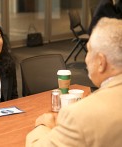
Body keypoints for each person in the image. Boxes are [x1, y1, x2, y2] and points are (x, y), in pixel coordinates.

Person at [26, 17, 122, 147]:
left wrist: (43, 125)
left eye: (88, 51)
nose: (86, 59)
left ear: (101, 62)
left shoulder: (81, 115)